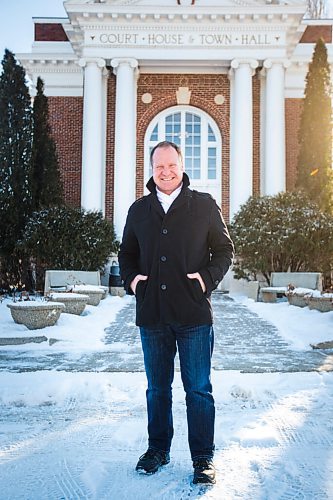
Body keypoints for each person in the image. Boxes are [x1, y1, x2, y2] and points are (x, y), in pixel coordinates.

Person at [118, 141, 234, 485]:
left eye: (171, 165)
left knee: (198, 389)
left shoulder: (204, 205)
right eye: (159, 167)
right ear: (151, 170)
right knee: (157, 389)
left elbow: (224, 250)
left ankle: (202, 458)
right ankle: (158, 449)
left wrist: (205, 279)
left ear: (181, 166)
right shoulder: (139, 210)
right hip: (152, 315)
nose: (165, 172)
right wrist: (133, 281)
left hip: (194, 314)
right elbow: (127, 253)